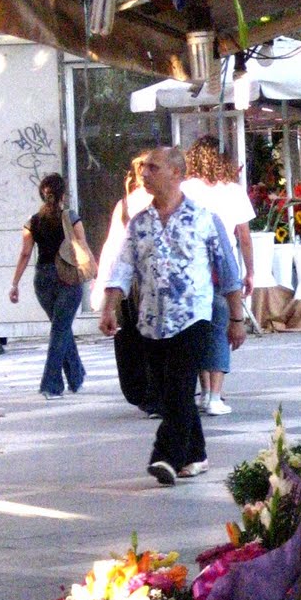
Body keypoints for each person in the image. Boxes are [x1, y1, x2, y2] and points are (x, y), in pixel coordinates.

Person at [99, 146, 246, 487]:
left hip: (193, 318)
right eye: (144, 168)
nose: (144, 173)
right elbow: (122, 267)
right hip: (150, 322)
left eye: (153, 167)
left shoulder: (204, 219)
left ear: (177, 173)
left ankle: (165, 455)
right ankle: (196, 454)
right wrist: (109, 307)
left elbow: (227, 270)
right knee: (168, 394)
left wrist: (236, 319)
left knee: (180, 389)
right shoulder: (139, 223)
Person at [182, 136, 255, 416]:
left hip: (193, 268)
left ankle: (203, 393)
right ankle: (215, 395)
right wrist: (250, 271)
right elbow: (244, 237)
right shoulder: (233, 191)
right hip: (223, 269)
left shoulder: (185, 189)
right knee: (221, 331)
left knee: (200, 330)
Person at [9, 172, 94, 399]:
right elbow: (82, 246)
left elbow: (25, 253)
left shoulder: (32, 221)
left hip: (43, 280)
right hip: (66, 277)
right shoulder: (71, 217)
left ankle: (76, 376)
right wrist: (93, 272)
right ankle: (51, 385)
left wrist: (15, 283)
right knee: (60, 329)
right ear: (63, 194)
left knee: (60, 328)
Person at [94, 153, 160, 415]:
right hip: (151, 282)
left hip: (132, 286)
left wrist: (105, 292)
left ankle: (144, 393)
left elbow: (113, 250)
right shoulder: (168, 201)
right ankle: (160, 393)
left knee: (133, 338)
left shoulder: (125, 204)